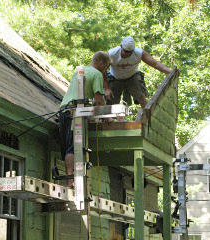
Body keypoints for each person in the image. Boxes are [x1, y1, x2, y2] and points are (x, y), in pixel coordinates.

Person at [59, 51, 110, 186]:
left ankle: (69, 178)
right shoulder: (97, 74)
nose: (105, 71)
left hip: (64, 109)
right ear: (100, 63)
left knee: (67, 148)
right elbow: (99, 101)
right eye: (106, 67)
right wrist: (108, 118)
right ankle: (71, 180)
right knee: (72, 148)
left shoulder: (79, 71)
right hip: (74, 113)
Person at [106, 36, 172, 108]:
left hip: (132, 77)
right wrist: (106, 88)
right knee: (111, 102)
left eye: (130, 52)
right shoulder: (111, 54)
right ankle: (109, 119)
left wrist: (170, 71)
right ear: (121, 46)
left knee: (142, 98)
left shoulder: (139, 53)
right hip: (115, 78)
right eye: (125, 51)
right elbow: (102, 71)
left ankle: (147, 115)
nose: (127, 54)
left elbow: (155, 64)